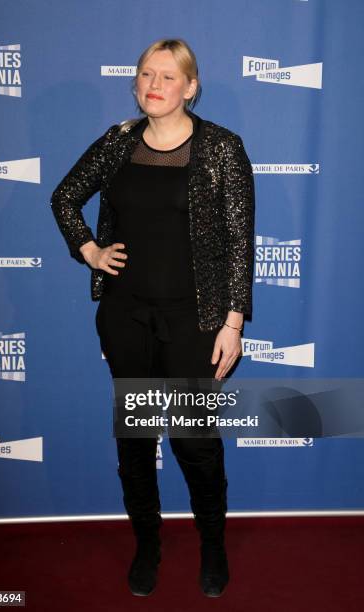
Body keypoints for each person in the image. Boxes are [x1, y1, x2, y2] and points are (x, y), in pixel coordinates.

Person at [51, 38, 255, 598]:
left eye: (168, 76)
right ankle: (148, 544)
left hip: (195, 322)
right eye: (146, 75)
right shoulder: (117, 143)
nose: (154, 85)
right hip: (126, 317)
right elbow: (65, 196)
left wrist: (233, 322)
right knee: (136, 441)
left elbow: (240, 242)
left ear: (191, 87)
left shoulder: (220, 149)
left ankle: (213, 546)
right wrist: (90, 250)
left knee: (194, 441)